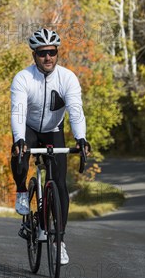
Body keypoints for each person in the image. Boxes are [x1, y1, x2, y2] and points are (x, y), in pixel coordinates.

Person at [10, 27, 90, 265]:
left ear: (57, 53)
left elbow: (75, 110)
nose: (48, 57)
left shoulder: (67, 78)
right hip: (30, 129)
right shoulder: (23, 78)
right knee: (19, 154)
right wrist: (19, 139)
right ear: (34, 55)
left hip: (54, 131)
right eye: (43, 53)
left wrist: (81, 138)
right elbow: (18, 111)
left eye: (52, 52)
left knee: (61, 185)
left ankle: (59, 241)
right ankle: (22, 190)